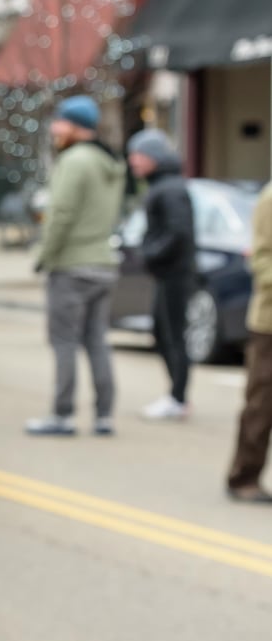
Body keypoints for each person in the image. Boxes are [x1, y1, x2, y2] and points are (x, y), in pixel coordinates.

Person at [25, 95, 125, 436]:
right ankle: (104, 415)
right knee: (97, 340)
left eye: (60, 121)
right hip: (104, 263)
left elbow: (61, 214)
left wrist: (44, 256)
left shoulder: (74, 161)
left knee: (64, 341)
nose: (55, 128)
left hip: (72, 265)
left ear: (76, 126)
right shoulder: (110, 161)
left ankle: (63, 415)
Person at [126, 128, 196, 421]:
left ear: (154, 157)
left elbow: (178, 233)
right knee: (161, 331)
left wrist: (148, 252)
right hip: (167, 273)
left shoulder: (170, 189)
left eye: (139, 156)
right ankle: (175, 396)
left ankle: (178, 399)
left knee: (173, 336)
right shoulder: (161, 186)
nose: (133, 162)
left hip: (175, 275)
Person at [227, 181, 272, 503]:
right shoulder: (270, 199)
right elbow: (261, 259)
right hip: (269, 323)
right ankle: (244, 477)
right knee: (261, 402)